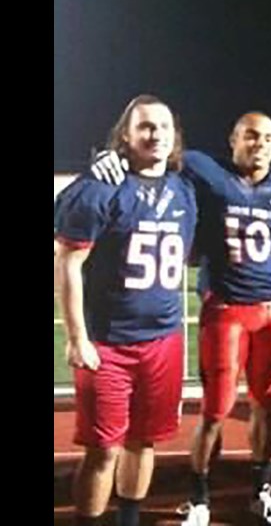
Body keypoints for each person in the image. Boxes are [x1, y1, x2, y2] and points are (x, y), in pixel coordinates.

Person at [92, 112, 271, 526]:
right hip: (226, 309)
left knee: (266, 409)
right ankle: (198, 498)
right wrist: (113, 156)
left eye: (269, 137)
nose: (260, 144)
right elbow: (153, 157)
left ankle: (260, 493)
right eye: (251, 136)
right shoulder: (204, 171)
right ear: (232, 139)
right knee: (215, 410)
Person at [55, 95, 197, 526]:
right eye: (145, 127)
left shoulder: (184, 188)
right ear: (126, 135)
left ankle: (129, 520)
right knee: (103, 450)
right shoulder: (99, 188)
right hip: (109, 342)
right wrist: (78, 337)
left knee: (144, 442)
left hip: (163, 339)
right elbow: (66, 262)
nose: (155, 134)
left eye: (163, 127)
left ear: (175, 136)